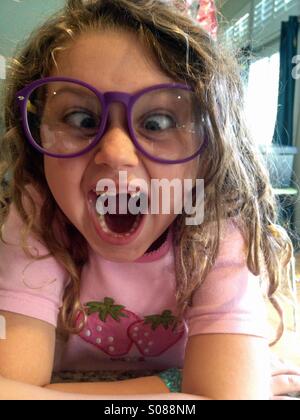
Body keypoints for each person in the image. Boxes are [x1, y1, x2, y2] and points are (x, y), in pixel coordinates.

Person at [0, 0, 294, 400]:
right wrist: (173, 385)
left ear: (210, 153)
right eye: (82, 120)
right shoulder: (40, 214)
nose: (116, 153)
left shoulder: (214, 228)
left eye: (158, 122)